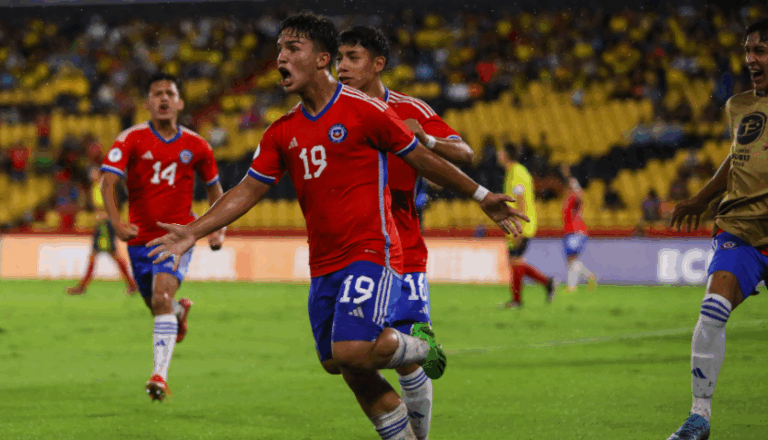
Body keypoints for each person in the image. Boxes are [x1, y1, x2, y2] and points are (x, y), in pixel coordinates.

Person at [146, 13, 527, 440]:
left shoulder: (367, 110)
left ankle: (420, 347)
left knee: (352, 349)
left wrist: (482, 197)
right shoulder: (281, 131)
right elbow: (248, 188)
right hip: (324, 262)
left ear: (321, 59)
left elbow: (421, 157)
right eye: (279, 50)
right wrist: (194, 230)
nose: (281, 58)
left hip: (373, 249)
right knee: (338, 362)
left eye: (293, 49)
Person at [336, 25, 474, 439]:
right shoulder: (329, 111)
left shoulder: (408, 107)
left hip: (403, 248)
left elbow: (464, 152)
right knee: (348, 356)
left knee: (404, 355)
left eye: (352, 57)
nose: (342, 66)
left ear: (378, 64)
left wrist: (426, 138)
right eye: (339, 57)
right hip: (351, 251)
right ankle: (418, 348)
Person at [667, 19, 768, 440]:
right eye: (748, 50)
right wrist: (701, 198)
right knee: (712, 309)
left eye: (760, 50)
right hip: (740, 229)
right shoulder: (739, 105)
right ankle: (699, 418)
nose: (750, 59)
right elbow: (736, 155)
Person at [100, 72, 226, 402]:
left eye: (170, 92)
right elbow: (107, 181)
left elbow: (215, 189)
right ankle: (179, 316)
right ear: (148, 103)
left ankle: (159, 375)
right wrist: (115, 221)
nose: (164, 98)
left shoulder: (198, 145)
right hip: (140, 240)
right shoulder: (131, 139)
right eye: (157, 93)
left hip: (178, 236)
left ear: (180, 102)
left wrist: (214, 227)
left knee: (160, 298)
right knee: (158, 307)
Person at [497, 143, 556, 308]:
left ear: (507, 155)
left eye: (500, 152)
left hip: (521, 225)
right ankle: (547, 283)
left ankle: (517, 301)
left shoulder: (517, 173)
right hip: (515, 224)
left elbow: (521, 201)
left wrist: (519, 228)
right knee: (516, 262)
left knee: (516, 261)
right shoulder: (512, 172)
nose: (498, 155)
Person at [66, 167, 138, 296]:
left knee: (103, 254)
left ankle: (82, 286)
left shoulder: (105, 187)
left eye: (93, 172)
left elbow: (113, 204)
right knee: (110, 254)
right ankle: (132, 285)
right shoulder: (96, 187)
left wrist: (106, 215)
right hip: (101, 224)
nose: (91, 175)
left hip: (105, 224)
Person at [560, 164, 596, 292]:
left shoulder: (575, 199)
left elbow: (580, 195)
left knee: (572, 258)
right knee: (570, 260)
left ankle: (572, 287)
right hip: (569, 231)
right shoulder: (567, 199)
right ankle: (589, 276)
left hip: (576, 231)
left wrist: (569, 177)